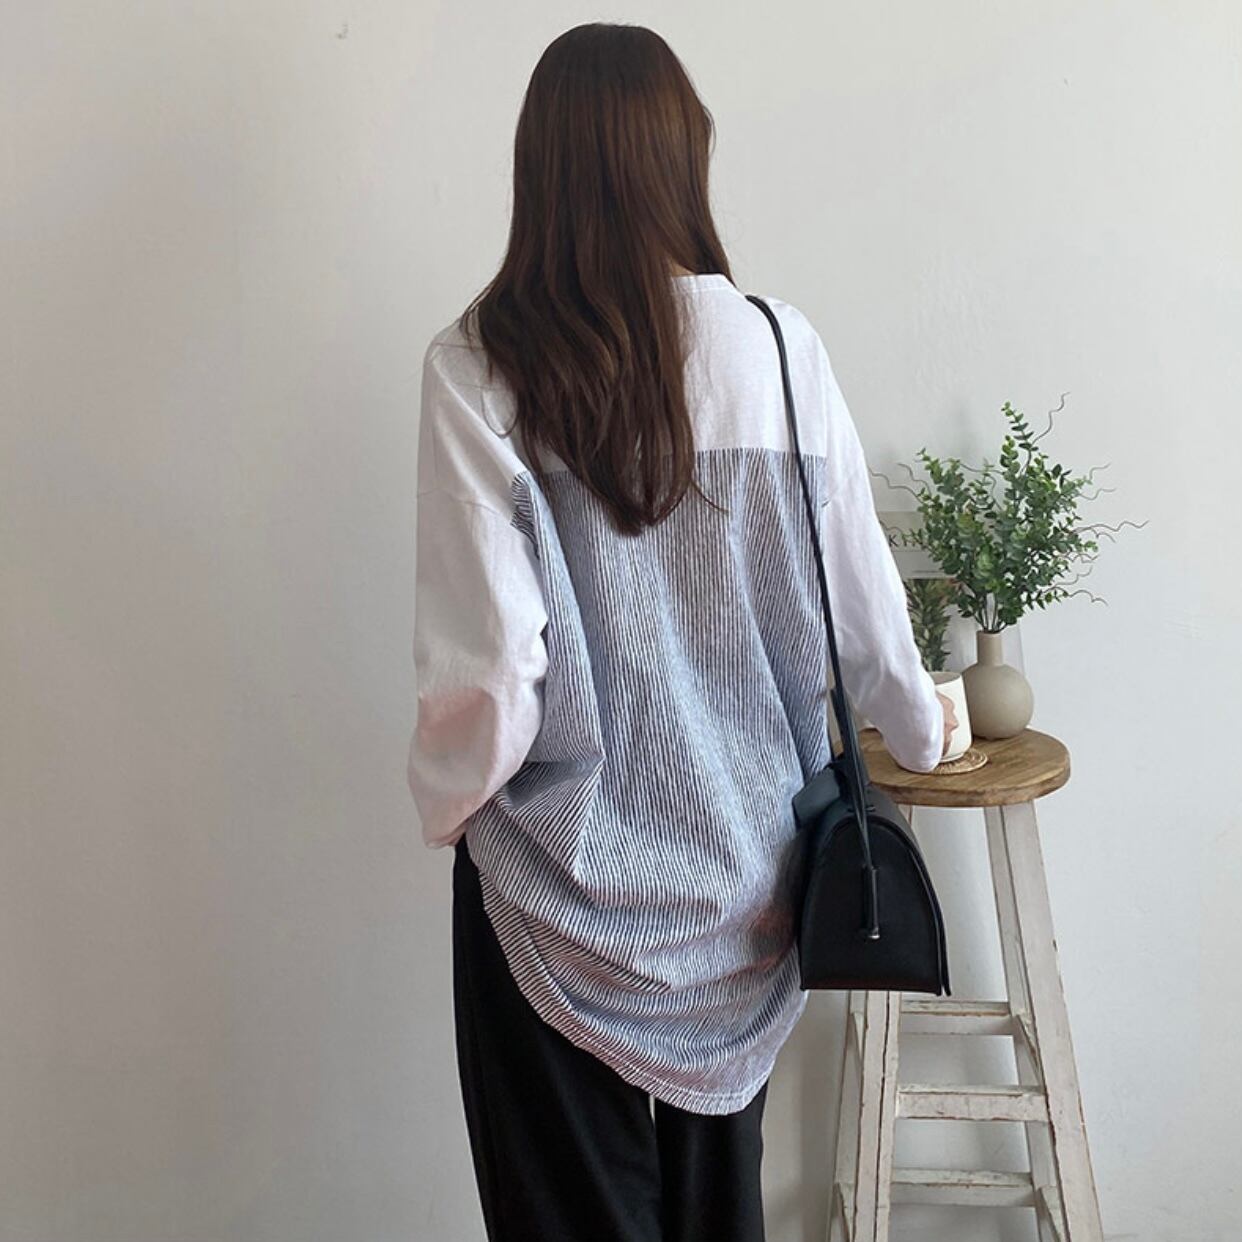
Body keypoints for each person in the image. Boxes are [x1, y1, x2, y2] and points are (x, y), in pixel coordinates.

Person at [407, 22, 957, 1242]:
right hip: (747, 888)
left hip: (553, 886)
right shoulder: (779, 348)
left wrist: (447, 808)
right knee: (722, 1216)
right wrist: (925, 733)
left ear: (540, 167)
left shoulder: (478, 367)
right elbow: (866, 618)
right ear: (681, 159)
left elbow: (492, 677)